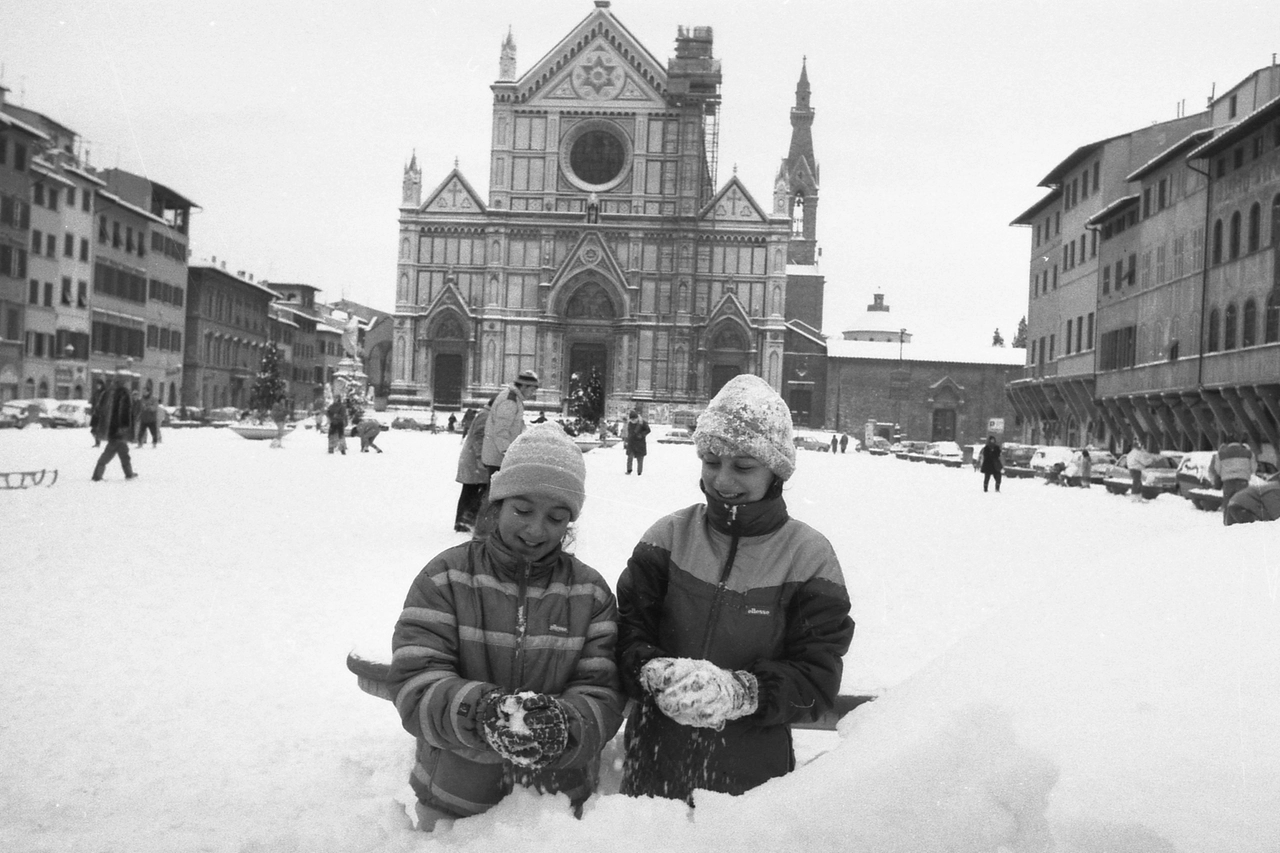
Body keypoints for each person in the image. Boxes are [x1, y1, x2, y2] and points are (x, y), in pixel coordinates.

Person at [615, 373, 854, 803]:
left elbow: (817, 679)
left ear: (776, 470)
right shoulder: (666, 538)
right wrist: (649, 669)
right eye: (711, 461)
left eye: (743, 466)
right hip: (650, 780)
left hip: (749, 792)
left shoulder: (810, 558)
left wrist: (743, 693)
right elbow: (627, 633)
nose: (723, 480)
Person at [387, 423, 626, 830]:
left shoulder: (590, 593)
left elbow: (604, 691)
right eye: (522, 510)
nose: (536, 530)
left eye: (556, 517)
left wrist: (563, 726)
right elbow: (415, 682)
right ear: (497, 504)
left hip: (554, 816)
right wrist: (481, 713)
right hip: (452, 806)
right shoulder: (446, 577)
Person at [481, 369, 539, 475]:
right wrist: (509, 453)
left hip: (498, 456)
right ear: (523, 386)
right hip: (498, 458)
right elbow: (500, 431)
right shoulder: (510, 401)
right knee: (498, 490)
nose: (532, 394)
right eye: (531, 390)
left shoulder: (514, 398)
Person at [454, 399, 495, 532]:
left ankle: (463, 521)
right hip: (474, 460)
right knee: (475, 490)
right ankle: (464, 521)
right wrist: (482, 458)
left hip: (473, 460)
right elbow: (479, 437)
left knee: (471, 490)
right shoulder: (486, 416)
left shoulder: (485, 415)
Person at [91, 370, 138, 482]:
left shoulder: (107, 393)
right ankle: (97, 475)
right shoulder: (124, 393)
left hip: (109, 427)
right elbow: (124, 412)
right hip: (119, 429)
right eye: (126, 381)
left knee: (124, 452)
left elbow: (98, 410)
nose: (128, 383)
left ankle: (129, 473)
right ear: (122, 382)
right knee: (109, 452)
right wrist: (124, 427)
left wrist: (95, 425)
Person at [1210, 436, 1257, 526]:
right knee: (1242, 503)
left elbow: (1217, 469)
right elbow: (1254, 468)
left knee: (1228, 503)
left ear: (1227, 443)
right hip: (1243, 481)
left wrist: (1226, 473)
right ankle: (1242, 524)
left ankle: (1228, 524)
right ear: (1239, 442)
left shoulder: (1222, 453)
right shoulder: (1247, 452)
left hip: (1228, 482)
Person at [624, 408, 650, 475]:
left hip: (640, 443)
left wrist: (642, 435)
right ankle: (629, 470)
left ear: (637, 418)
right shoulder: (629, 424)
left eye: (634, 419)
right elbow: (629, 433)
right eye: (631, 419)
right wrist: (627, 440)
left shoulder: (642, 423)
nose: (633, 421)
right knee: (630, 457)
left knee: (640, 458)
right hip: (631, 443)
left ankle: (639, 472)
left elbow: (648, 430)